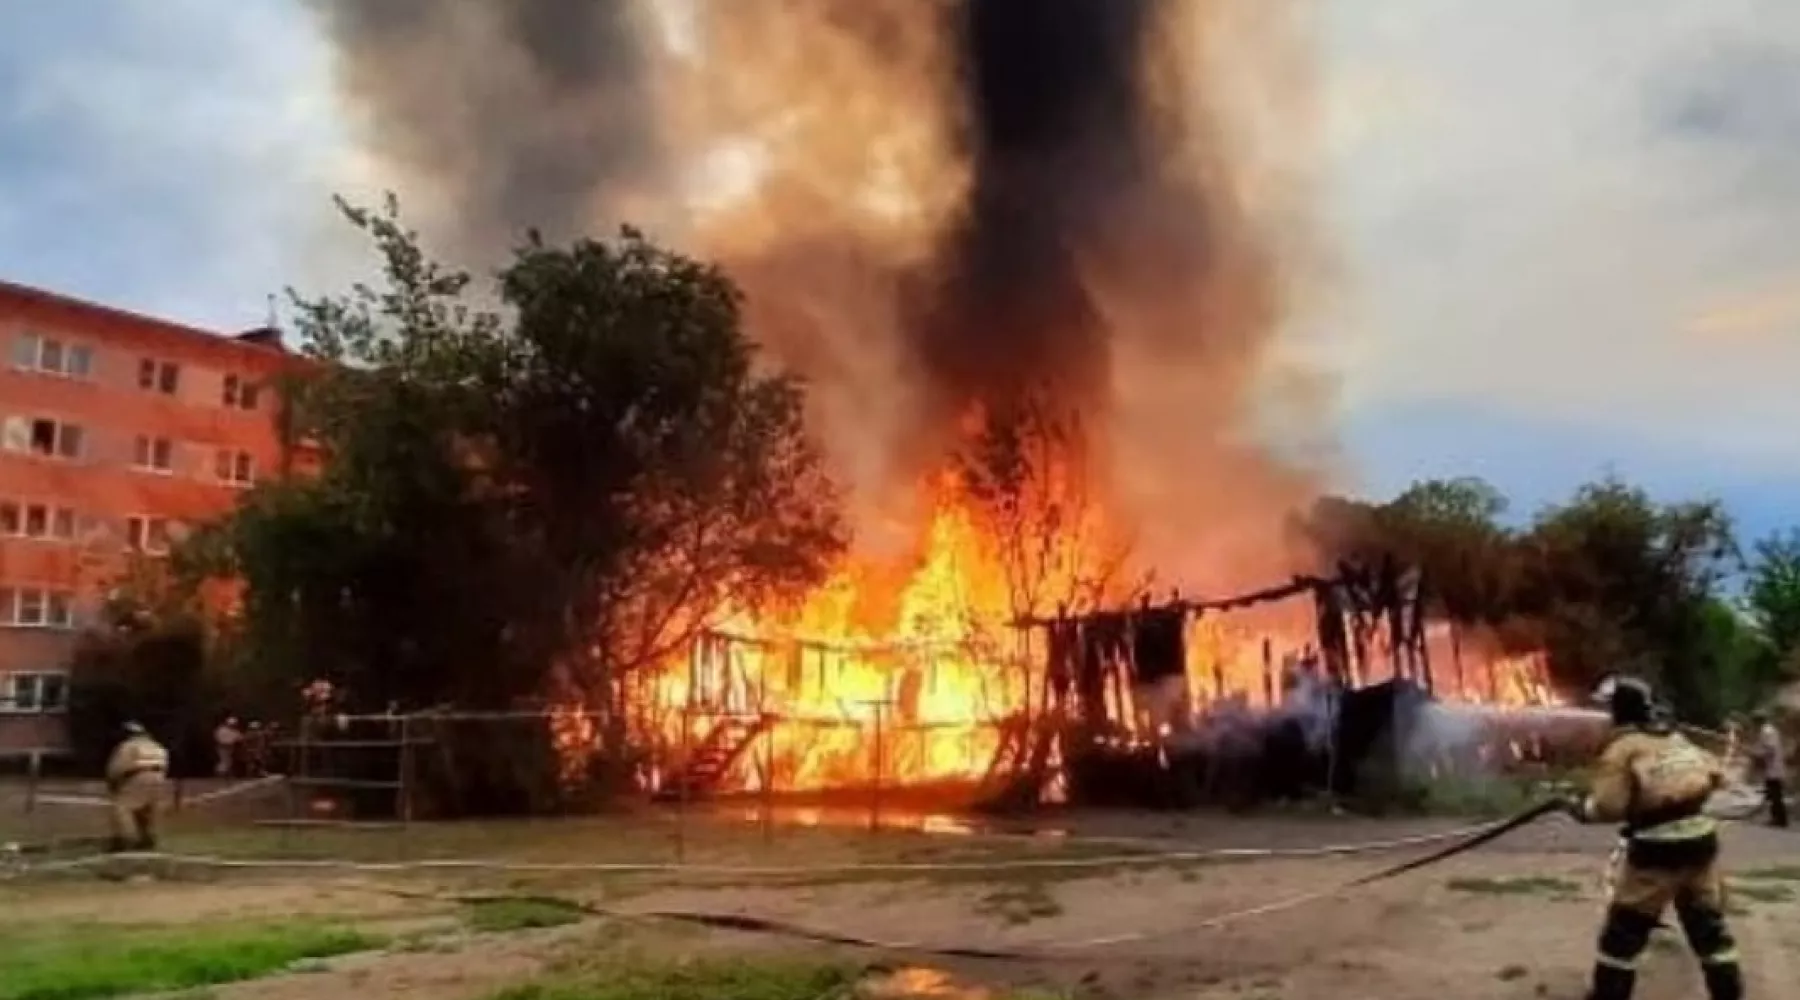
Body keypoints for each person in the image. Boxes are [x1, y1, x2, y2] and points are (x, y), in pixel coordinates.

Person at [1564, 675, 1742, 1000]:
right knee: (1710, 932)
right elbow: (1715, 775)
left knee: (1622, 936)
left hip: (1657, 854)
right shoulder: (1675, 739)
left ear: (1619, 711)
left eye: (1607, 710)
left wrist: (1581, 809)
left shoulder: (1623, 749)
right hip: (1701, 844)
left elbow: (1608, 806)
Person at [105, 721, 170, 852]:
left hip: (137, 776)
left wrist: (113, 782)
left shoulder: (128, 746)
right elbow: (165, 763)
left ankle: (127, 839)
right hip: (159, 777)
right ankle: (148, 837)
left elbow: (118, 766)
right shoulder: (156, 746)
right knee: (148, 809)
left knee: (123, 808)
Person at [1750, 710, 1788, 828]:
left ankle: (1780, 819)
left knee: (1775, 795)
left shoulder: (1767, 731)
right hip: (1771, 768)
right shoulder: (1767, 731)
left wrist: (1758, 754)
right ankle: (1777, 817)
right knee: (1773, 794)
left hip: (1773, 768)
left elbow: (1770, 749)